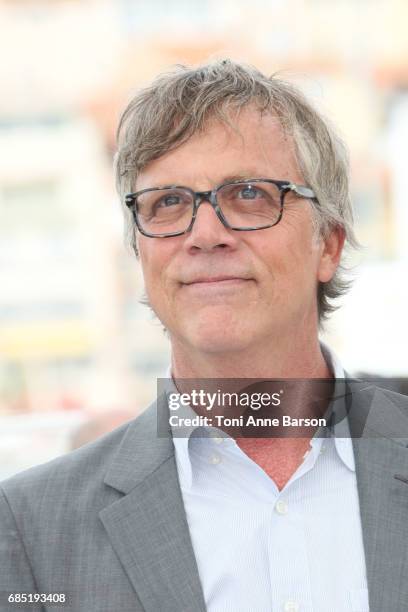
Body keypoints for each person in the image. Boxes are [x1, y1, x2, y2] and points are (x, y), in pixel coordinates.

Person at [1, 59, 408, 612]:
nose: (205, 234)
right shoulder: (34, 526)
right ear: (139, 253)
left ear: (328, 245)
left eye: (248, 194)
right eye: (168, 203)